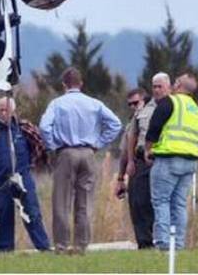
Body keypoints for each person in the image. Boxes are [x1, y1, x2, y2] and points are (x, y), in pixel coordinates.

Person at [39, 67, 123, 254]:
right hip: (88, 153)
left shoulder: (57, 104)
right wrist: (98, 143)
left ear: (64, 85)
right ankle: (81, 246)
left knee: (62, 202)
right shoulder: (94, 103)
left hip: (66, 153)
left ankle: (61, 246)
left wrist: (52, 146)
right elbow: (116, 124)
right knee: (85, 202)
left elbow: (44, 127)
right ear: (81, 83)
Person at [145, 73, 198, 251]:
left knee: (161, 201)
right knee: (179, 204)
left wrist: (148, 149)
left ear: (177, 85)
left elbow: (154, 127)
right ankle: (178, 244)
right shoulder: (197, 111)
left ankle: (163, 243)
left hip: (168, 158)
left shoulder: (170, 102)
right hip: (190, 161)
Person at [0, 95, 51, 252]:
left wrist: (32, 164)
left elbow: (40, 145)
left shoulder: (24, 128)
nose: (4, 113)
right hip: (1, 180)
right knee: (4, 216)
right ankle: (4, 251)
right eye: (1, 110)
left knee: (32, 213)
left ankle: (43, 246)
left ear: (13, 111)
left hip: (23, 177)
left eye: (7, 110)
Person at [114, 83, 155, 248]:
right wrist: (120, 177)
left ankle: (152, 241)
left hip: (150, 161)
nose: (133, 107)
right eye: (129, 104)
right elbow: (124, 152)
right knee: (137, 205)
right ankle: (144, 243)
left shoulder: (151, 114)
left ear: (144, 100)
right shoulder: (132, 122)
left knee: (148, 204)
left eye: (136, 103)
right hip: (136, 164)